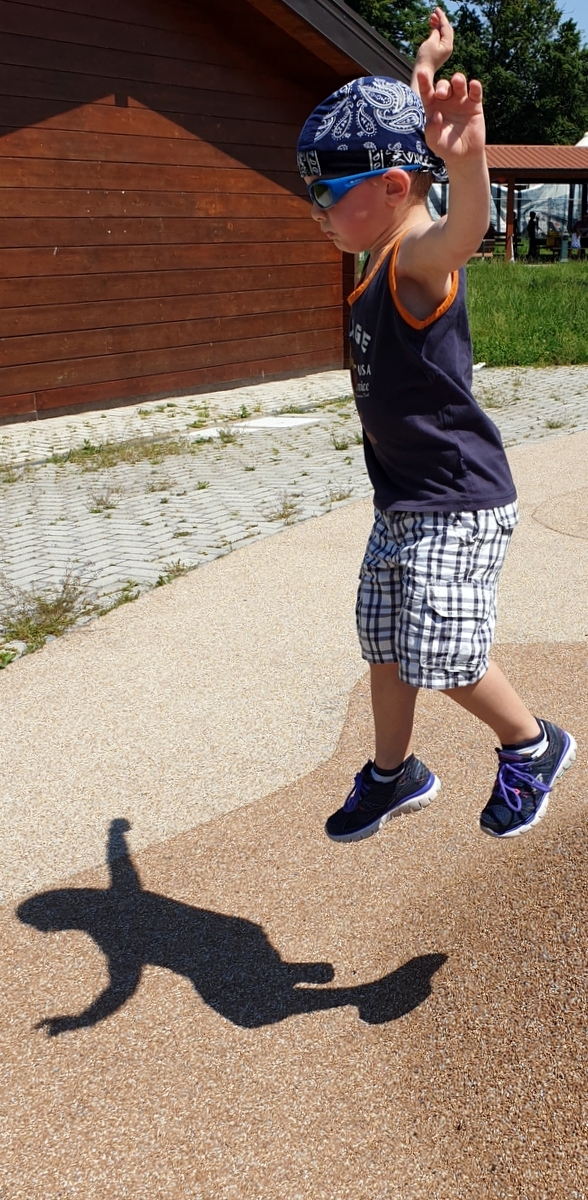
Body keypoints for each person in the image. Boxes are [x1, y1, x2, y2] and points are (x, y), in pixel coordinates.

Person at [296, 9, 576, 841]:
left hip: (457, 499)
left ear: (390, 188)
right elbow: (397, 144)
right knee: (383, 642)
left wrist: (465, 159)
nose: (314, 210)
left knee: (442, 653)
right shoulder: (376, 245)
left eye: (325, 193)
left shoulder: (416, 252)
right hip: (404, 500)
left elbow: (463, 228)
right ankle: (394, 774)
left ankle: (532, 745)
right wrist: (421, 73)